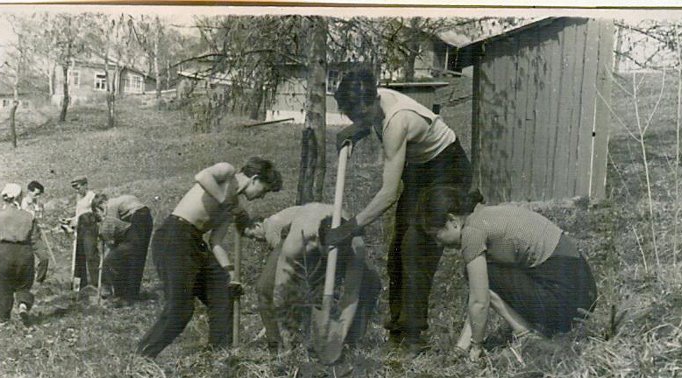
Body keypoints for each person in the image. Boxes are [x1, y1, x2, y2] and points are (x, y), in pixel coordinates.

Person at [323, 67, 472, 353]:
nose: (358, 121)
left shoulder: (396, 121)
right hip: (418, 171)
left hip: (446, 169)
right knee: (396, 254)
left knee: (416, 247)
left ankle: (415, 337)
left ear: (371, 102)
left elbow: (389, 193)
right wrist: (357, 130)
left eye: (360, 115)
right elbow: (370, 121)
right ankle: (398, 331)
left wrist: (352, 226)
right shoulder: (375, 105)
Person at [420, 186, 598, 362]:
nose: (438, 244)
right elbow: (478, 296)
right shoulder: (482, 216)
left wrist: (476, 346)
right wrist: (461, 347)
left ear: (452, 221)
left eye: (437, 235)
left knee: (476, 275)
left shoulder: (472, 232)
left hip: (566, 299)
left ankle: (525, 334)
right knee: (481, 279)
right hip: (584, 295)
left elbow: (480, 301)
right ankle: (528, 331)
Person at [137, 157, 282, 359]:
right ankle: (142, 357)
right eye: (264, 190)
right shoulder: (227, 172)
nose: (262, 197)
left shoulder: (233, 205)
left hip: (195, 243)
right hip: (174, 236)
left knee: (223, 292)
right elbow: (202, 176)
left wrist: (230, 274)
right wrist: (225, 200)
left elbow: (216, 242)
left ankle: (218, 358)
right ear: (255, 179)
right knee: (181, 308)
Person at [243, 203, 381, 351]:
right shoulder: (296, 241)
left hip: (340, 236)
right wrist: (284, 328)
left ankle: (348, 343)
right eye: (327, 253)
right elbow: (280, 286)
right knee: (266, 286)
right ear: (318, 242)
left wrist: (339, 336)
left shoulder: (355, 244)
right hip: (299, 229)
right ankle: (279, 346)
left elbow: (351, 293)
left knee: (370, 283)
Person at [0, 183, 49, 326]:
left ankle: (4, 321)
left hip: (5, 253)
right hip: (24, 254)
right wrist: (43, 259)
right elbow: (35, 240)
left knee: (4, 287)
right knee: (24, 284)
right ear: (19, 197)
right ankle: (23, 304)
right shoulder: (29, 217)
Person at [91, 193, 154, 305]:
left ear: (101, 205)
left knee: (115, 259)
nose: (101, 216)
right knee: (137, 258)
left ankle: (122, 296)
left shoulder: (110, 206)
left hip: (138, 219)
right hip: (146, 218)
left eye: (99, 213)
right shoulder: (119, 200)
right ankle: (132, 294)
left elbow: (110, 232)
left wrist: (106, 254)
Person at [61, 176, 100, 289]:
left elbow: (94, 214)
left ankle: (97, 284)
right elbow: (79, 214)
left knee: (91, 255)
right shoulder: (79, 197)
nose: (77, 191)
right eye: (75, 188)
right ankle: (79, 286)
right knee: (79, 257)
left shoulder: (92, 197)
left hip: (90, 229)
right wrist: (71, 220)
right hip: (80, 229)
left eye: (78, 187)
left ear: (85, 185)